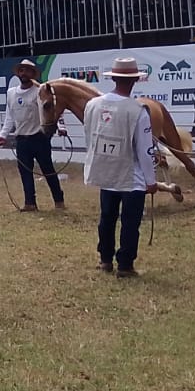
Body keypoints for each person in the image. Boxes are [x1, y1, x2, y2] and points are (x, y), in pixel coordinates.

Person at [82, 57, 159, 278]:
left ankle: (105, 259)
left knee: (107, 217)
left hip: (106, 173)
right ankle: (125, 265)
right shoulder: (138, 111)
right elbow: (145, 150)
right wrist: (151, 181)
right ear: (134, 81)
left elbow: (90, 137)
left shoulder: (92, 105)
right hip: (131, 176)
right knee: (129, 222)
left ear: (113, 78)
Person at [0, 58, 64, 211]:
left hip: (39, 138)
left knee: (48, 170)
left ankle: (59, 200)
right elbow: (9, 117)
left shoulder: (40, 91)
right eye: (21, 70)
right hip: (21, 139)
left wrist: (60, 126)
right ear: (18, 73)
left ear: (33, 74)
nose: (24, 73)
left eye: (27, 70)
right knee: (25, 172)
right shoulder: (11, 93)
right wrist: (3, 135)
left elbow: (51, 111)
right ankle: (30, 203)